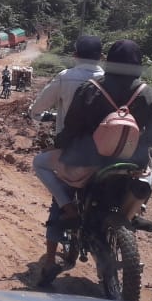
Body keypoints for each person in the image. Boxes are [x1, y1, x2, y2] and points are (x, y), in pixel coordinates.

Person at [36, 40, 152, 283]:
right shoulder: (147, 93)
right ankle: (137, 207)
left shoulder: (91, 88)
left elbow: (72, 126)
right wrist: (136, 144)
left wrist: (63, 144)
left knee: (43, 167)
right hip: (130, 161)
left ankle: (66, 213)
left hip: (88, 161)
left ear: (109, 61)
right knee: (149, 165)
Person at [29, 36, 104, 276]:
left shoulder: (65, 77)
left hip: (71, 151)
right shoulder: (110, 81)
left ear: (75, 55)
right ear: (101, 57)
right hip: (107, 153)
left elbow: (37, 109)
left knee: (57, 196)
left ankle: (50, 261)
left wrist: (44, 115)